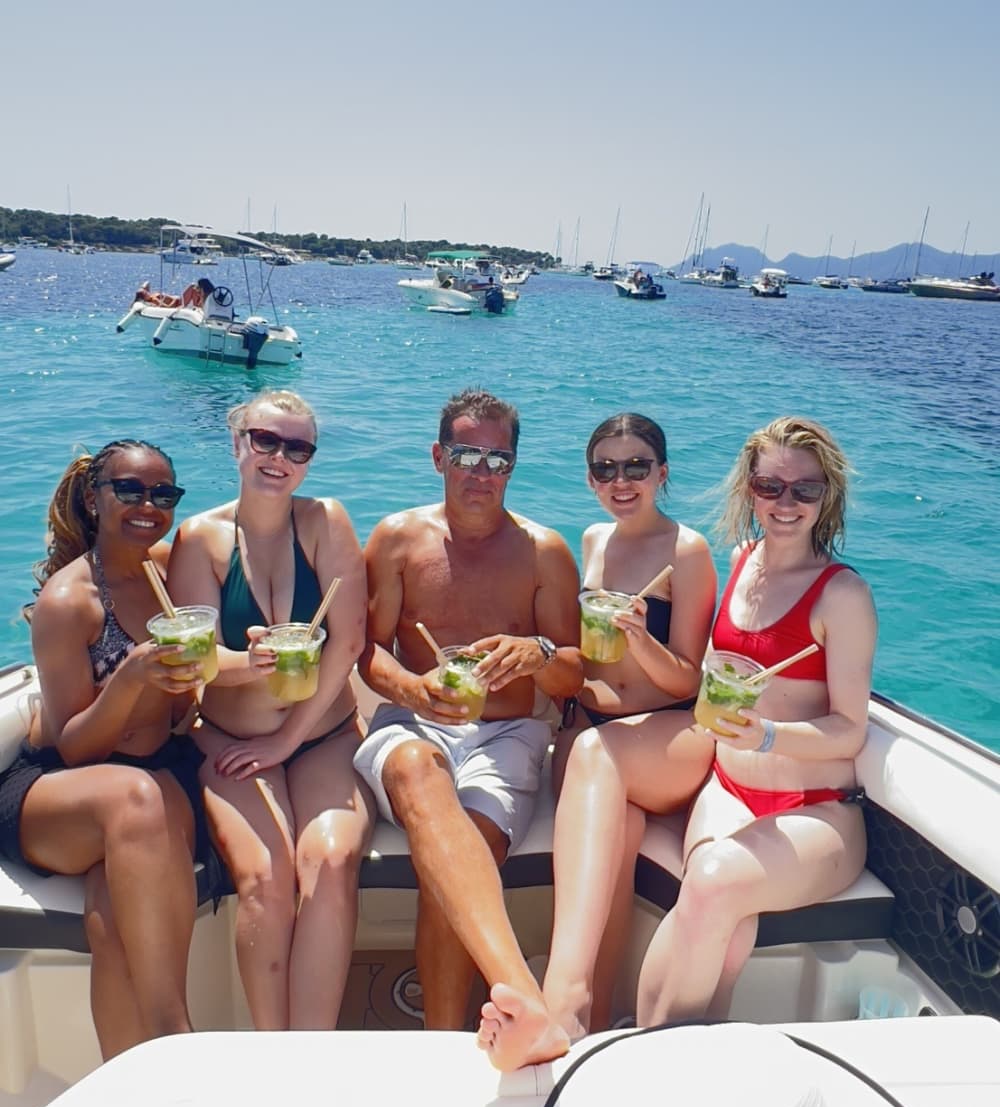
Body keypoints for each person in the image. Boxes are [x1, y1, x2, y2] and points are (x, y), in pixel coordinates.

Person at [477, 414, 716, 1067]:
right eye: (606, 468)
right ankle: (596, 1027)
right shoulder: (594, 540)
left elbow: (688, 677)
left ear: (661, 473)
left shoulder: (686, 550)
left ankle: (564, 997)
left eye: (637, 465)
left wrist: (642, 637)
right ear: (589, 479)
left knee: (593, 757)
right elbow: (581, 659)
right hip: (595, 735)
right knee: (615, 841)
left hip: (669, 733)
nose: (622, 480)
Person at [355, 385, 583, 1042]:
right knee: (421, 779)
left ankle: (445, 1039)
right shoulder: (398, 540)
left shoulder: (544, 553)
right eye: (466, 455)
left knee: (463, 853)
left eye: (497, 460)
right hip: (412, 725)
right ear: (437, 457)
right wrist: (413, 691)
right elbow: (368, 653)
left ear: (513, 465)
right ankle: (517, 1007)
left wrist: (537, 653)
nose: (481, 474)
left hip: (508, 732)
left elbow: (573, 672)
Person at [632, 414, 876, 1026]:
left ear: (829, 496)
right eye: (770, 486)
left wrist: (768, 735)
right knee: (724, 927)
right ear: (750, 490)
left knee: (711, 882)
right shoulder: (742, 560)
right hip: (732, 789)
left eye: (805, 490)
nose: (785, 503)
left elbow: (851, 727)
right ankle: (673, 1053)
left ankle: (646, 1053)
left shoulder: (840, 596)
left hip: (818, 809)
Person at [167, 390, 372, 1031]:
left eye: (298, 447)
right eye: (265, 441)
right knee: (265, 874)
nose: (279, 457)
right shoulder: (199, 538)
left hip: (322, 736)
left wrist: (288, 742)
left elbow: (349, 642)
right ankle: (269, 1050)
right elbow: (193, 662)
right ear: (238, 444)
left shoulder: (325, 521)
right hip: (231, 738)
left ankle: (310, 1050)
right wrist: (242, 664)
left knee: (332, 860)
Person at [0, 441, 210, 1058]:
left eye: (163, 494)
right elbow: (71, 745)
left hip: (149, 776)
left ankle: (130, 1083)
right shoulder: (71, 603)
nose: (149, 505)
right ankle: (179, 1042)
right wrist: (131, 680)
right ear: (94, 499)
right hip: (59, 786)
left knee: (114, 916)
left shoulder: (170, 575)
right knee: (137, 799)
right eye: (130, 490)